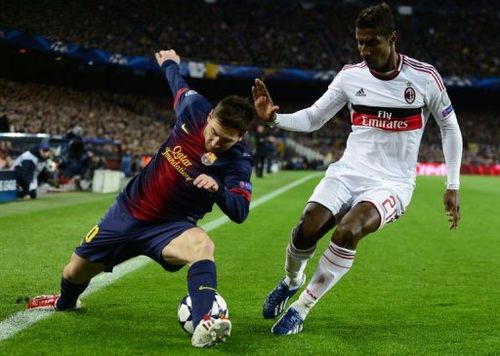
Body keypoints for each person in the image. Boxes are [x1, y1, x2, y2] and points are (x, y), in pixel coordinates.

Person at [252, 2, 462, 335]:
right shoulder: (350, 77)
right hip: (348, 172)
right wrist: (275, 119)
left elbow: (449, 127)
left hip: (392, 184)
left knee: (347, 232)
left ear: (392, 38)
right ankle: (292, 280)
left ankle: (301, 308)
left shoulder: (424, 78)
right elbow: (314, 117)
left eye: (372, 42)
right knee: (307, 227)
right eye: (360, 42)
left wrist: (452, 185)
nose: (364, 50)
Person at [27, 49, 256, 348]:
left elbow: (240, 211)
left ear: (240, 137)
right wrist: (170, 63)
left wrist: (219, 189)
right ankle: (65, 303)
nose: (214, 143)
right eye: (213, 133)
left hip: (172, 228)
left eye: (225, 140)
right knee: (74, 271)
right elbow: (178, 84)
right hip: (127, 212)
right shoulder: (193, 108)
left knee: (203, 245)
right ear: (210, 116)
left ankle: (204, 323)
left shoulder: (239, 161)